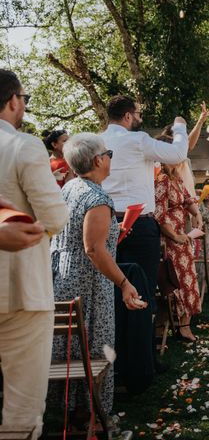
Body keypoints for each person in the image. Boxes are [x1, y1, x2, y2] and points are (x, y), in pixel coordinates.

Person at [49, 133, 145, 425]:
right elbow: (93, 249)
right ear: (98, 160)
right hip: (88, 281)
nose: (111, 157)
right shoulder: (97, 197)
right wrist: (125, 284)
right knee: (93, 344)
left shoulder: (69, 188)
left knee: (71, 344)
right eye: (109, 153)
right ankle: (91, 415)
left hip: (63, 274)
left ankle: (69, 409)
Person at [0, 69, 69, 437]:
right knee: (22, 407)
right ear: (13, 101)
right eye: (23, 99)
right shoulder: (23, 146)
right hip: (21, 291)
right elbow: (56, 215)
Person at [100, 95, 189, 369]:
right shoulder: (138, 141)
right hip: (139, 224)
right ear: (127, 116)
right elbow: (178, 154)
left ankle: (115, 359)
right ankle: (143, 362)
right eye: (137, 113)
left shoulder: (96, 140)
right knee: (143, 291)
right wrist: (181, 127)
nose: (139, 118)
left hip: (104, 222)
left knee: (113, 291)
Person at [154, 133, 202, 342]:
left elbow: (187, 199)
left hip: (182, 236)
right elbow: (159, 214)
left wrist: (196, 213)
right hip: (170, 240)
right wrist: (175, 236)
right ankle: (181, 326)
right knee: (179, 282)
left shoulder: (175, 177)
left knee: (189, 279)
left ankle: (185, 324)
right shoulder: (161, 180)